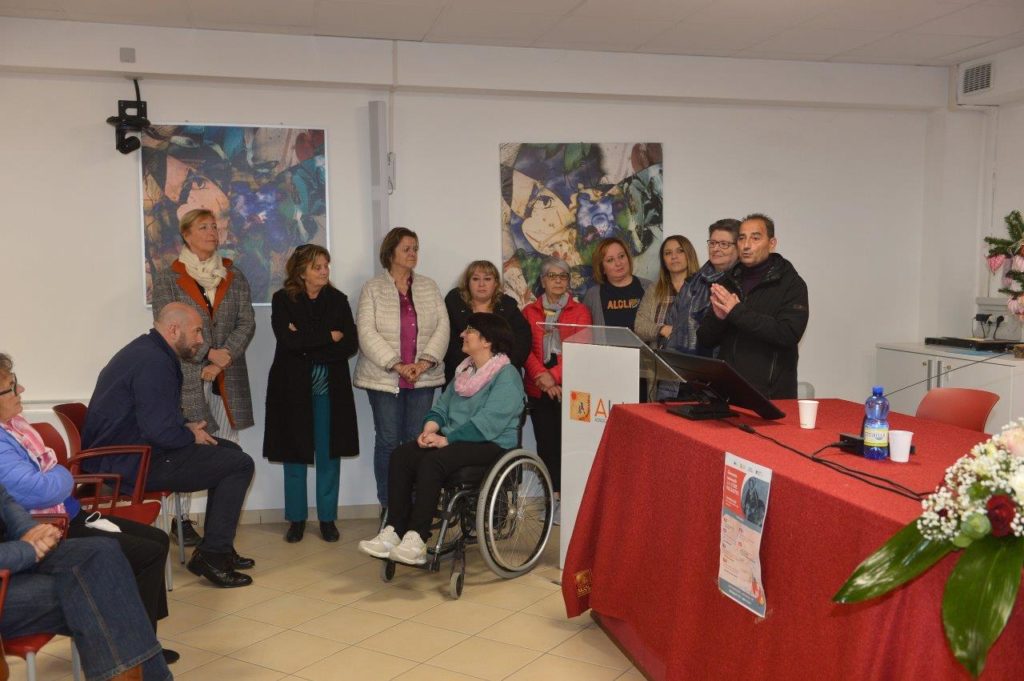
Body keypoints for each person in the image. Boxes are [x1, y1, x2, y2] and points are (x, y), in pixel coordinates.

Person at [0, 355, 178, 664]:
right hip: (53, 524)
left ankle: (142, 647)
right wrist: (61, 476)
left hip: (59, 518)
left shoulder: (15, 428)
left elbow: (15, 496)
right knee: (135, 559)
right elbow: (39, 489)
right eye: (12, 387)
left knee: (154, 542)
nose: (21, 390)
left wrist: (54, 484)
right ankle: (140, 652)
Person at [81, 302, 256, 588]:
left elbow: (156, 418)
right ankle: (213, 556)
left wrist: (186, 427)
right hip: (131, 463)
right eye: (197, 331)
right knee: (239, 465)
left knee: (230, 452)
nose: (201, 340)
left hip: (131, 452)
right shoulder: (154, 362)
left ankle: (218, 547)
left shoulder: (149, 351)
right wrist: (190, 435)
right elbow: (159, 431)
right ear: (174, 330)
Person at [358, 313, 524, 565]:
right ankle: (394, 530)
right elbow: (441, 408)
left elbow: (489, 423)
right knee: (402, 455)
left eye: (469, 330)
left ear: (487, 341)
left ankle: (417, 537)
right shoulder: (465, 371)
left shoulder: (506, 375)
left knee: (433, 461)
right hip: (458, 439)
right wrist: (429, 430)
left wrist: (446, 440)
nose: (462, 334)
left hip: (492, 443)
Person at [152, 207, 256, 549]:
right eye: (203, 227)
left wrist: (224, 357)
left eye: (214, 226)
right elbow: (168, 328)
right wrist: (208, 353)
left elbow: (247, 322)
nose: (212, 232)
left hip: (228, 375)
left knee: (228, 449)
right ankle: (180, 520)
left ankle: (219, 530)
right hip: (186, 375)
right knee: (189, 445)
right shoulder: (169, 277)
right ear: (186, 234)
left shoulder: (233, 274)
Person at [0, 483, 171, 680]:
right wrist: (28, 549)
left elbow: (5, 503)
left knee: (103, 553)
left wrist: (32, 531)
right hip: (11, 567)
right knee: (97, 588)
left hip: (17, 556)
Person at [264, 245, 358, 544]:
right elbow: (287, 341)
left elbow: (350, 344)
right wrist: (328, 337)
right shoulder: (283, 300)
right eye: (318, 267)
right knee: (294, 455)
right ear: (301, 271)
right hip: (292, 390)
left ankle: (327, 519)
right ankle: (297, 519)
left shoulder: (338, 300)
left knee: (329, 456)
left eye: (326, 265)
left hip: (329, 390)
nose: (324, 271)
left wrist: (306, 341)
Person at [354, 227, 449, 513]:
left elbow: (443, 327)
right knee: (387, 442)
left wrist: (423, 363)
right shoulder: (372, 288)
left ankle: (414, 505)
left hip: (422, 378)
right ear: (390, 252)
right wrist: (397, 365)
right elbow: (366, 332)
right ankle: (389, 505)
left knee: (416, 442)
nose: (413, 254)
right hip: (384, 379)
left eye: (416, 249)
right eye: (407, 248)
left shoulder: (429, 286)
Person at [696, 213, 809, 399]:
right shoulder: (728, 281)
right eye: (742, 238)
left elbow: (788, 334)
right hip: (727, 393)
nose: (746, 245)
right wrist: (718, 318)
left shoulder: (791, 284)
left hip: (770, 396)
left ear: (771, 243)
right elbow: (705, 340)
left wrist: (736, 311)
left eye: (755, 238)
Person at [522, 257, 592, 517]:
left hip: (571, 389)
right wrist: (542, 377)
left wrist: (554, 376)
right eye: (553, 276)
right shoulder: (529, 312)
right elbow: (524, 350)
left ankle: (570, 501)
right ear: (543, 281)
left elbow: (580, 348)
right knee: (546, 445)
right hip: (539, 389)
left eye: (563, 276)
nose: (558, 281)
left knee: (570, 446)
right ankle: (552, 498)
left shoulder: (580, 311)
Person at [443, 260, 531, 385]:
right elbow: (448, 343)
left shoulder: (508, 305)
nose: (481, 284)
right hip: (462, 376)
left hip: (502, 375)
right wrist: (474, 367)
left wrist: (500, 367)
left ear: (496, 283)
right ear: (467, 283)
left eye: (487, 279)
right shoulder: (454, 304)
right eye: (475, 279)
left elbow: (523, 340)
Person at [664, 219, 742, 357]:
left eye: (724, 244)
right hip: (683, 363)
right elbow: (673, 324)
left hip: (721, 365)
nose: (715, 249)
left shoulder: (743, 284)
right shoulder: (691, 282)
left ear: (739, 247)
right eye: (712, 243)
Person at [633, 235, 700, 347]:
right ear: (663, 260)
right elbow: (639, 326)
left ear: (689, 254)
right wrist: (662, 329)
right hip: (658, 355)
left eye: (680, 251)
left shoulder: (703, 288)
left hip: (694, 355)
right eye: (668, 253)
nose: (674, 256)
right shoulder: (654, 289)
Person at [582, 237, 652, 330]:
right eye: (610, 260)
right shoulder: (592, 296)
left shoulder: (650, 288)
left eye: (621, 256)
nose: (618, 263)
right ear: (602, 268)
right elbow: (586, 334)